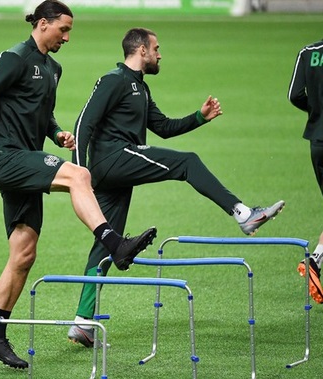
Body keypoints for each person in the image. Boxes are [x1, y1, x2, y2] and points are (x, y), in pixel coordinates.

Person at [0, 0, 157, 369]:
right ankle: (115, 243)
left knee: (24, 253)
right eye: (63, 29)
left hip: (25, 160)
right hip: (3, 156)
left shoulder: (53, 67)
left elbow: (39, 112)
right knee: (79, 175)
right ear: (42, 24)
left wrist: (56, 132)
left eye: (69, 31)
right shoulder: (14, 57)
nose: (67, 37)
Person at [67, 27, 286, 347]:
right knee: (188, 163)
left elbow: (165, 129)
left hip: (118, 168)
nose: (159, 54)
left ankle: (83, 323)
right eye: (156, 48)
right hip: (111, 160)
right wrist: (78, 169)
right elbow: (83, 122)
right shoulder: (113, 80)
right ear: (141, 50)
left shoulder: (141, 89)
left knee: (106, 245)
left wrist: (200, 117)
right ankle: (242, 213)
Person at [288, 38, 323, 304]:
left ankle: (316, 260)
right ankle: (316, 260)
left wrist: (317, 113)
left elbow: (294, 95)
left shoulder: (309, 53)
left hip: (318, 141)